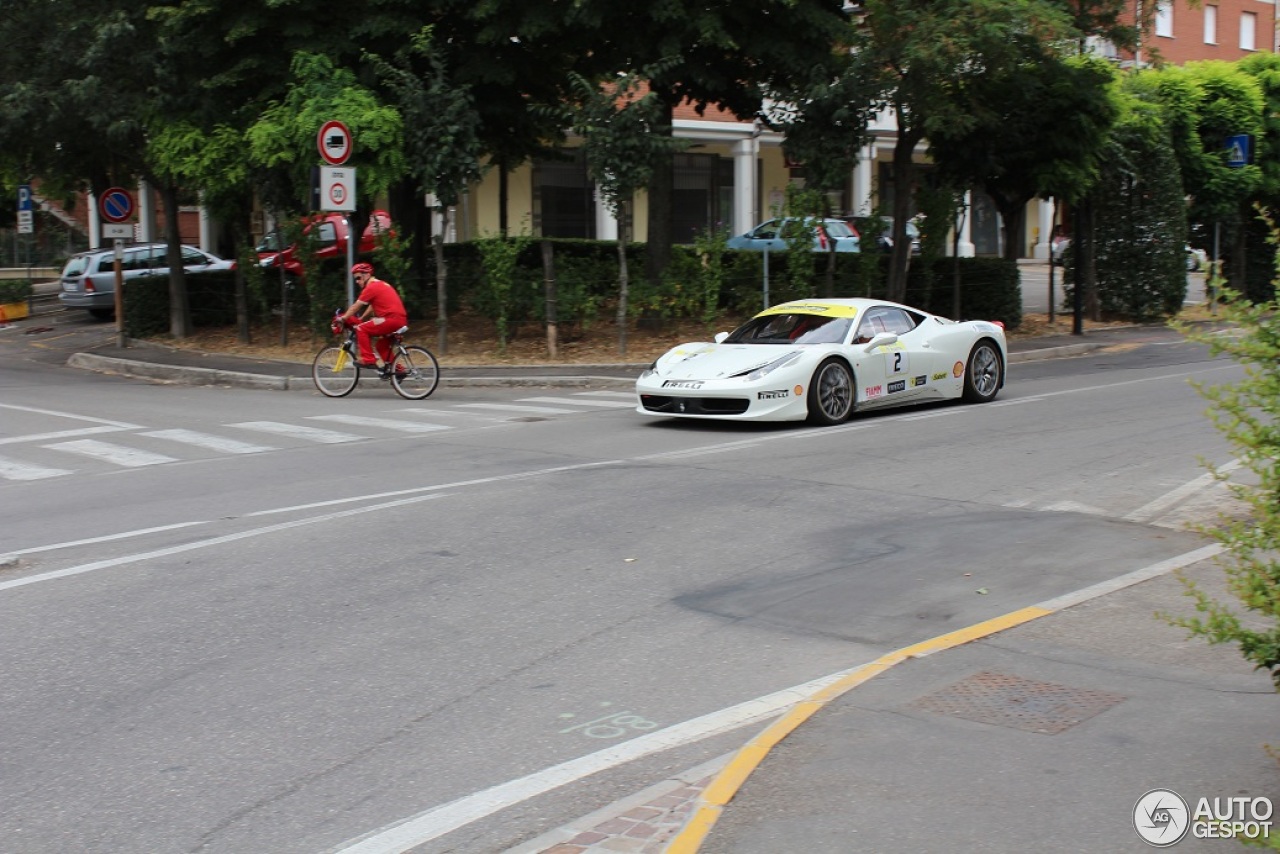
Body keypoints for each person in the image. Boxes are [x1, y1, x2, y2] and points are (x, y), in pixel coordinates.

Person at [337, 262, 408, 371]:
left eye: (359, 278)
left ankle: (368, 359)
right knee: (381, 346)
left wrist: (343, 318)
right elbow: (372, 307)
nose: (357, 281)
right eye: (355, 279)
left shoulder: (371, 287)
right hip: (399, 320)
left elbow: (356, 306)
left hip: (390, 319)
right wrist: (361, 319)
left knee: (360, 329)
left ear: (367, 275)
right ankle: (397, 370)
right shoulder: (380, 284)